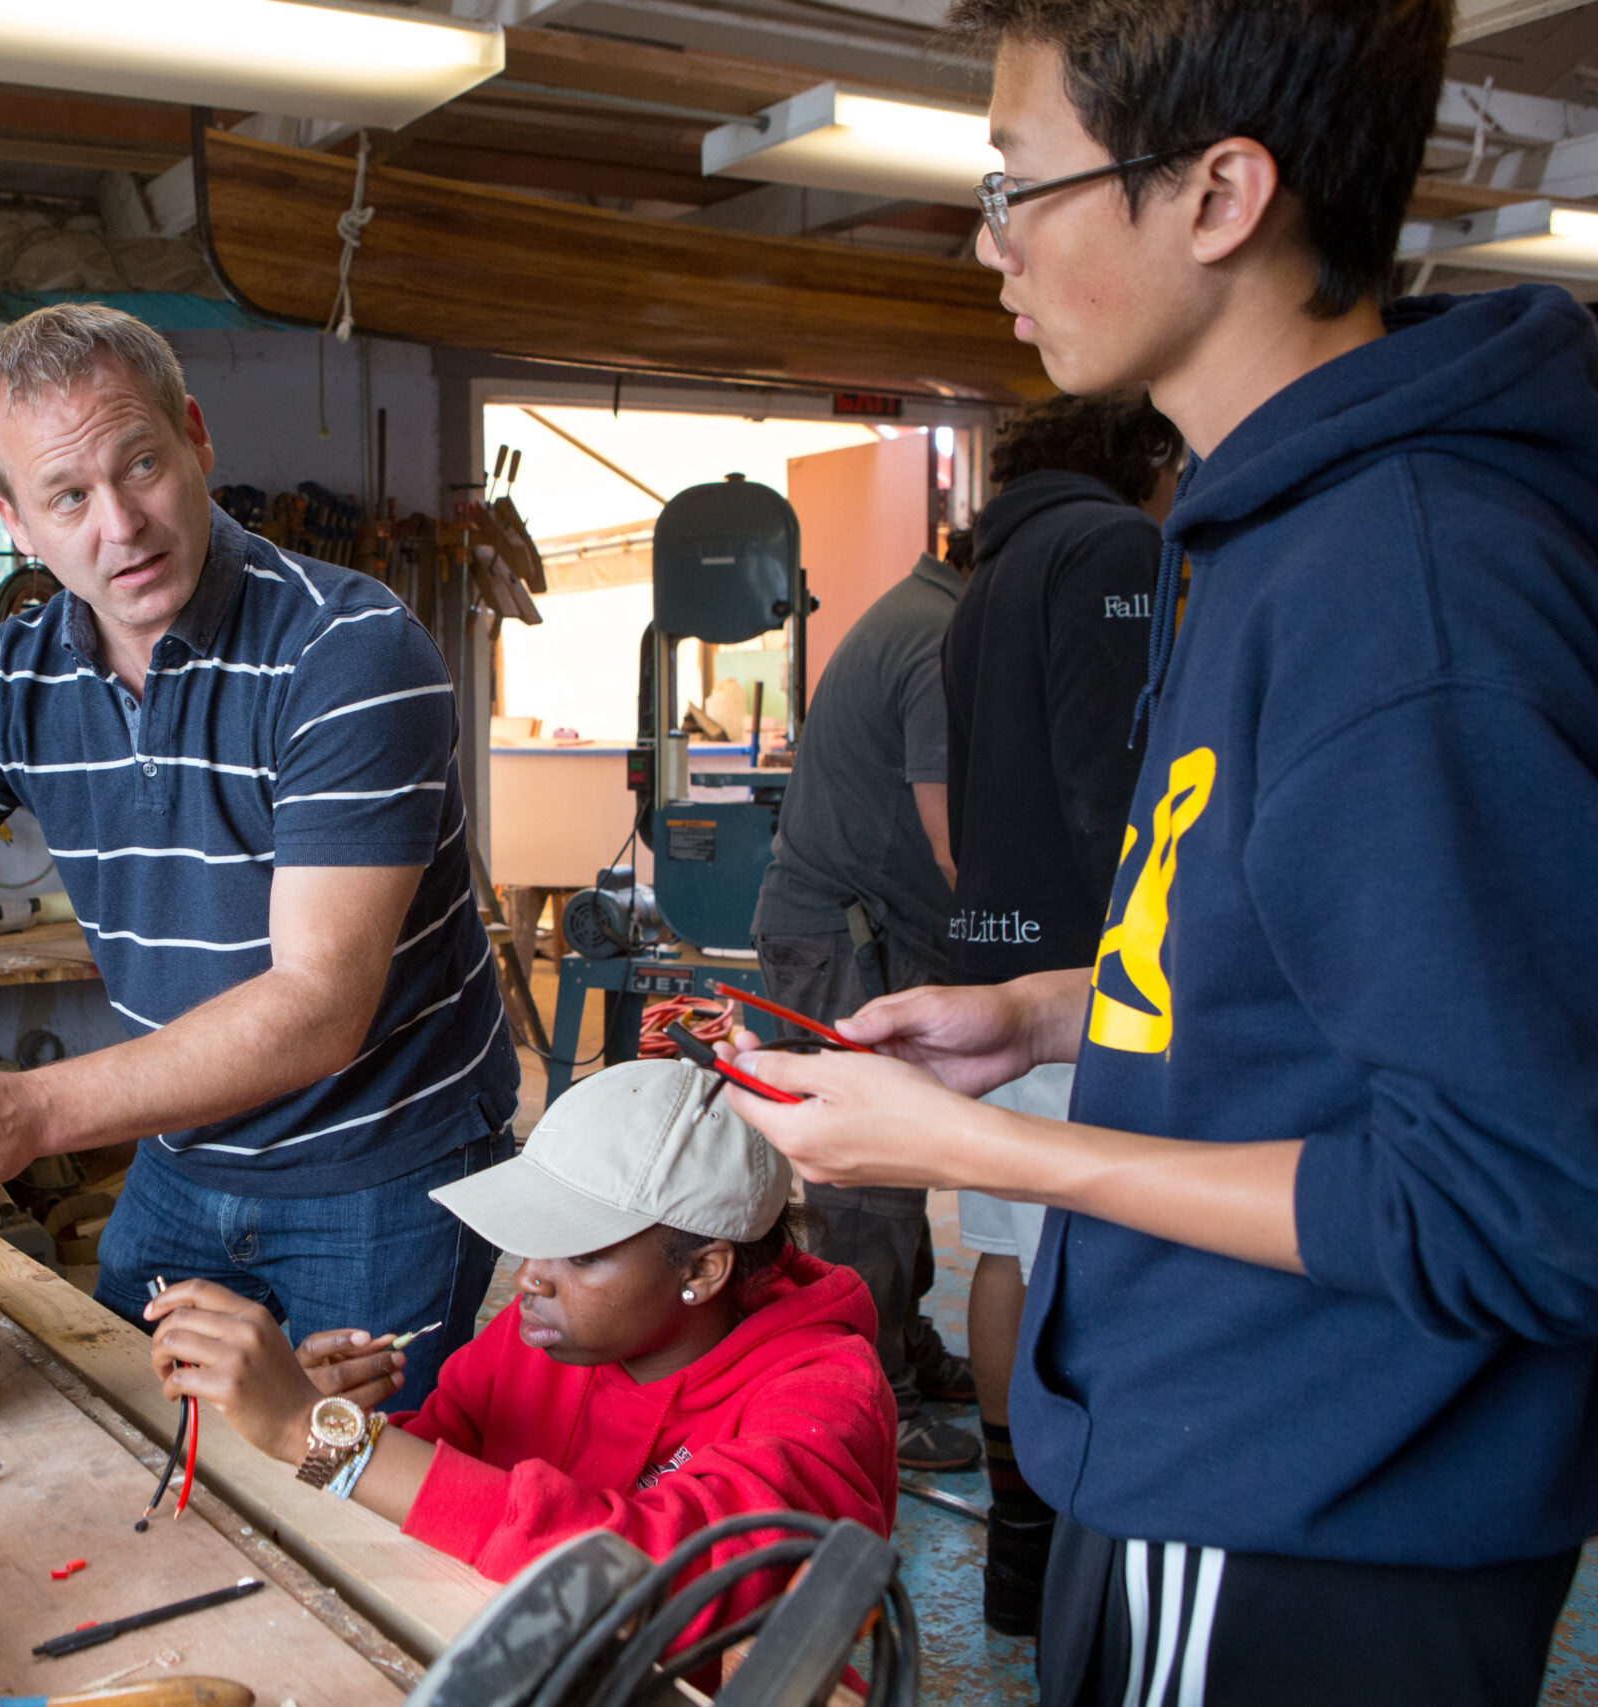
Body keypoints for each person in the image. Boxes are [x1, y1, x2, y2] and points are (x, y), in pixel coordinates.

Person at [721, 0, 1598, 1700]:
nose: (992, 245)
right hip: (1240, 1452)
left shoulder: (1404, 583)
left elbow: (1527, 1200)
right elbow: (1308, 960)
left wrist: (1018, 1157)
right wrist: (1049, 1018)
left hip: (1305, 1499)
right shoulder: (1271, 523)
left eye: (1020, 183)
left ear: (1217, 195)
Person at [0, 303, 516, 1407]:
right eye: (68, 497)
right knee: (149, 1456)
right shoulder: (12, 679)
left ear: (194, 438)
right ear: (14, 521)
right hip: (183, 1159)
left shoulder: (351, 653)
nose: (121, 525)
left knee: (356, 1497)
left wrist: (30, 1111)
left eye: (140, 464)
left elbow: (319, 1003)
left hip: (375, 1168)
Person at [144, 1058, 896, 1654]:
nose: (530, 1273)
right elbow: (439, 1486)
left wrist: (323, 1437)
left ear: (703, 1270)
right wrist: (325, 1422)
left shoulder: (825, 1397)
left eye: (581, 1251)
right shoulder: (556, 1334)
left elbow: (665, 1577)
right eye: (534, 1234)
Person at [940, 389, 1179, 1635]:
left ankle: (1021, 1559)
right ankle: (1088, 1556)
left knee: (1006, 1244)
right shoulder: (1115, 549)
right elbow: (1118, 783)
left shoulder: (992, 569)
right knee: (1085, 1244)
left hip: (995, 946)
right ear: (1144, 454)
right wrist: (1156, 955)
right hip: (1083, 967)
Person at [750, 547, 977, 1471]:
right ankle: (871, 1391)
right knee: (863, 1185)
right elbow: (952, 837)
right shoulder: (938, 636)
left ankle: (901, 1343)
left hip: (861, 930)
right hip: (847, 938)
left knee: (897, 1166)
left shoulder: (922, 610)